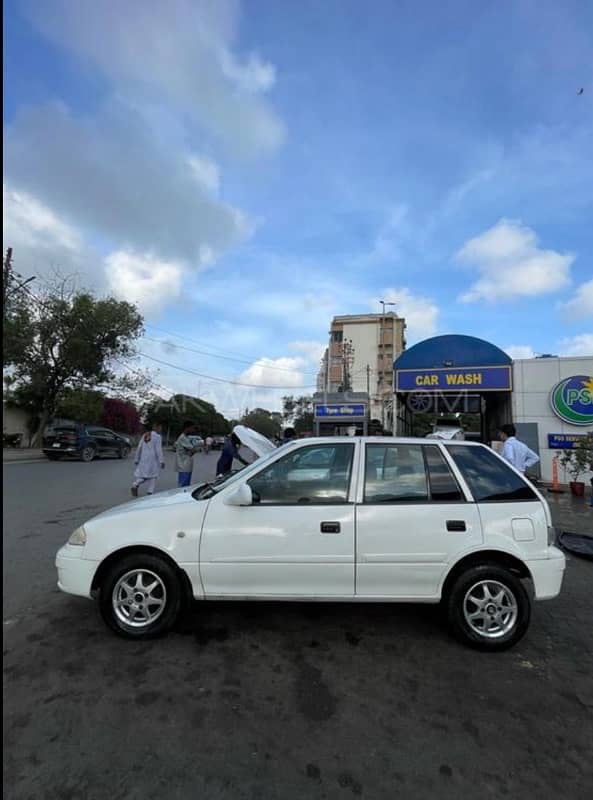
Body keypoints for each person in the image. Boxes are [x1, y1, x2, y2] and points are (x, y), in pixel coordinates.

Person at [131, 422, 164, 497]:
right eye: (160, 427)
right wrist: (161, 461)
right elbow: (158, 450)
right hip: (153, 460)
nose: (161, 429)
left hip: (144, 458)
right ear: (155, 427)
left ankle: (136, 485)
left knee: (145, 475)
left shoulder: (145, 434)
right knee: (153, 475)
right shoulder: (158, 437)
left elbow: (139, 447)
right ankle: (149, 492)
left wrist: (136, 458)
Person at [175, 421, 199, 487]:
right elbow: (193, 449)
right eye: (192, 428)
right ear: (187, 428)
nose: (193, 430)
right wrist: (194, 449)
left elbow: (192, 450)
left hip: (186, 466)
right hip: (184, 466)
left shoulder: (186, 438)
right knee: (183, 487)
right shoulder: (183, 438)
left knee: (185, 486)